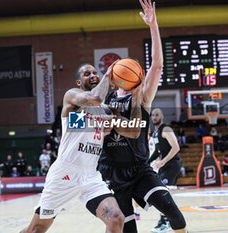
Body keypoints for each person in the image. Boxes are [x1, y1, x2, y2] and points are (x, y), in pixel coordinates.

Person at [21, 59, 142, 233]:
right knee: (36, 229)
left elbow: (134, 131)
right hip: (64, 174)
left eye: (95, 73)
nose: (93, 75)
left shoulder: (107, 110)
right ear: (79, 82)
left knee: (116, 218)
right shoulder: (72, 97)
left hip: (90, 176)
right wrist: (108, 75)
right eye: (87, 74)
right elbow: (95, 97)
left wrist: (137, 98)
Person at [98, 1, 187, 233]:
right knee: (128, 229)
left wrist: (153, 25)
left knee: (172, 210)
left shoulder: (142, 96)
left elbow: (156, 66)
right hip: (112, 172)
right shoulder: (105, 100)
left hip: (139, 168)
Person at [148, 108, 182, 233]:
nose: (154, 117)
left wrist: (163, 161)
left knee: (161, 193)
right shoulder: (156, 132)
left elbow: (176, 147)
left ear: (162, 117)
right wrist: (145, 163)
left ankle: (165, 221)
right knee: (163, 194)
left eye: (157, 115)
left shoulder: (166, 129)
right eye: (153, 115)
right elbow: (157, 151)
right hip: (165, 166)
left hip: (172, 165)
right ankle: (166, 220)